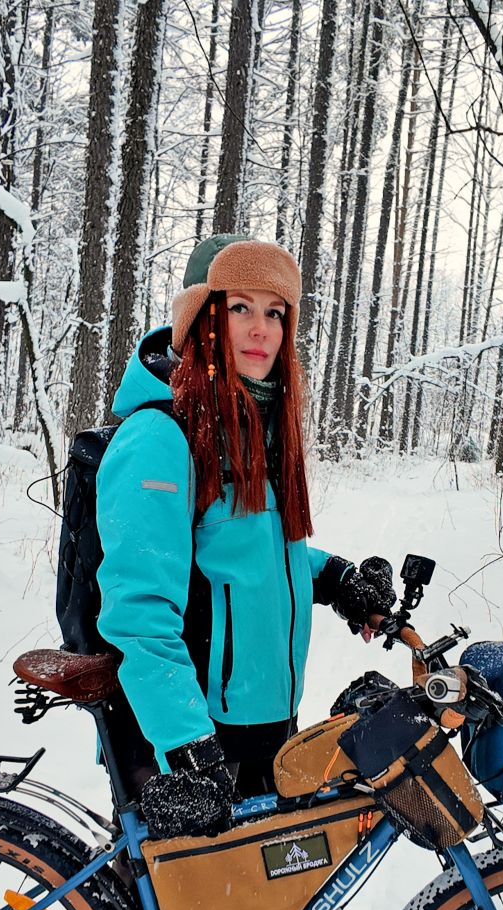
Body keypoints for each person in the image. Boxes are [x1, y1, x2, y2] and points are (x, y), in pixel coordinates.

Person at [93, 236, 396, 842]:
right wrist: (188, 747)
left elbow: (248, 555)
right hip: (196, 741)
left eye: (275, 312)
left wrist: (337, 579)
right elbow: (138, 612)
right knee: (180, 906)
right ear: (201, 318)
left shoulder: (251, 427)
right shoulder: (159, 437)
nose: (261, 329)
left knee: (278, 902)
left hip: (264, 730)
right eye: (240, 308)